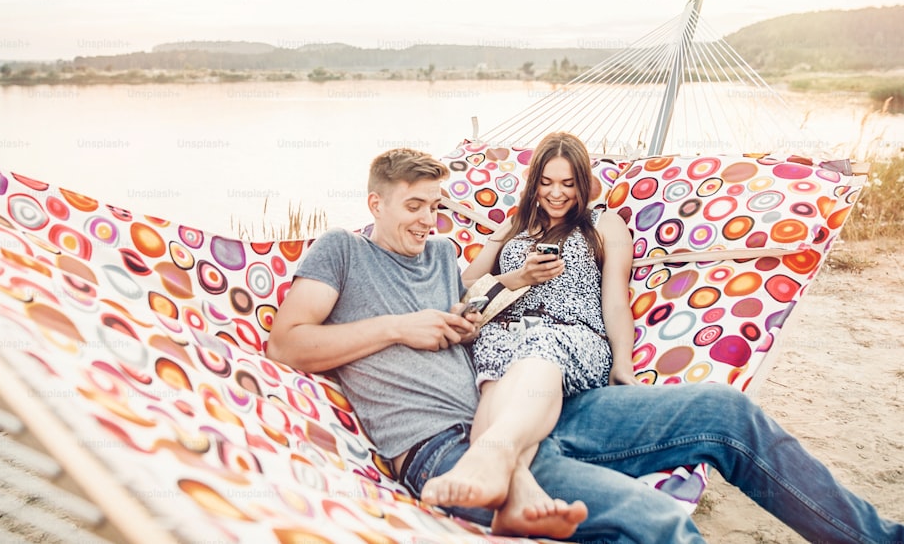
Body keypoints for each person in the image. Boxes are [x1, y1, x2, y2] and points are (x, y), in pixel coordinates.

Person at [266, 142, 903, 543]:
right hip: (447, 445)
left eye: (436, 205)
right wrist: (398, 328)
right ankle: (503, 476)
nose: (427, 219)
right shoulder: (341, 250)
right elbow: (287, 346)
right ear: (374, 201)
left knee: (724, 411)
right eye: (413, 205)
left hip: (549, 403)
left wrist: (478, 308)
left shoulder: (440, 255)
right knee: (657, 524)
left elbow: (473, 307)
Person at [419, 132, 641, 511]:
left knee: (541, 349)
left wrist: (623, 362)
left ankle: (484, 457)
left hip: (570, 334)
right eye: (547, 182)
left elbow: (616, 302)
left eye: (569, 184)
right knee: (493, 372)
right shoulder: (515, 224)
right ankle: (519, 492)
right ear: (534, 181)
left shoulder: (605, 224)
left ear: (584, 183)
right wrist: (516, 277)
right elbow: (464, 288)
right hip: (504, 330)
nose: (557, 194)